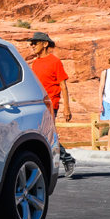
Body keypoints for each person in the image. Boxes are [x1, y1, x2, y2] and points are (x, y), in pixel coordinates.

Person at [27, 31, 76, 175]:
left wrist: (67, 108)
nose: (33, 45)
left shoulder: (55, 62)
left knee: (47, 135)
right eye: (32, 43)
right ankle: (64, 160)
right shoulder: (35, 63)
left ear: (45, 43)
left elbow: (63, 86)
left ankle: (65, 160)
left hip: (50, 105)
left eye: (35, 42)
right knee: (41, 136)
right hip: (37, 105)